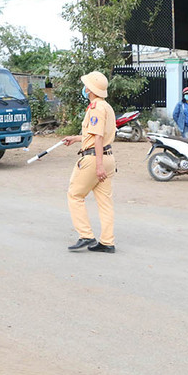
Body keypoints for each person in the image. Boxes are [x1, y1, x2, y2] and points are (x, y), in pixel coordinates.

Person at [62, 71, 117, 254]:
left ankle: (86, 235)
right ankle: (107, 242)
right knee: (105, 202)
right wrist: (77, 139)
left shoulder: (95, 108)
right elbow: (94, 135)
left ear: (90, 89)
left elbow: (98, 137)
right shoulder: (107, 107)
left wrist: (98, 165)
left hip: (95, 159)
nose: (84, 89)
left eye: (86, 86)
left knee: (75, 195)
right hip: (108, 157)